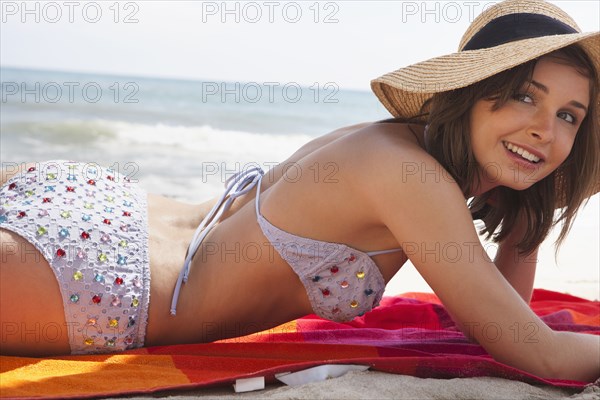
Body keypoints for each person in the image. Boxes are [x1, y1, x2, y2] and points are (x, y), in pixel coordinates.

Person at [1, 0, 599, 382]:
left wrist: (527, 218)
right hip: (97, 279)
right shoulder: (412, 181)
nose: (545, 129)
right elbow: (531, 348)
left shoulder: (392, 146)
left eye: (570, 115)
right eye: (525, 94)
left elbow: (510, 320)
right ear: (471, 92)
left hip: (101, 213)